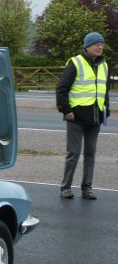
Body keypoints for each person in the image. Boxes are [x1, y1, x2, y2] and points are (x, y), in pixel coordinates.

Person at [56, 31, 110, 200]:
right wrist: (66, 110)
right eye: (97, 44)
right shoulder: (76, 62)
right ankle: (65, 188)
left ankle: (87, 188)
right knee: (73, 153)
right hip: (76, 117)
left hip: (95, 117)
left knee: (90, 153)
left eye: (102, 44)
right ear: (88, 46)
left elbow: (104, 90)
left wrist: (106, 109)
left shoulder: (104, 65)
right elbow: (61, 88)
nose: (100, 47)